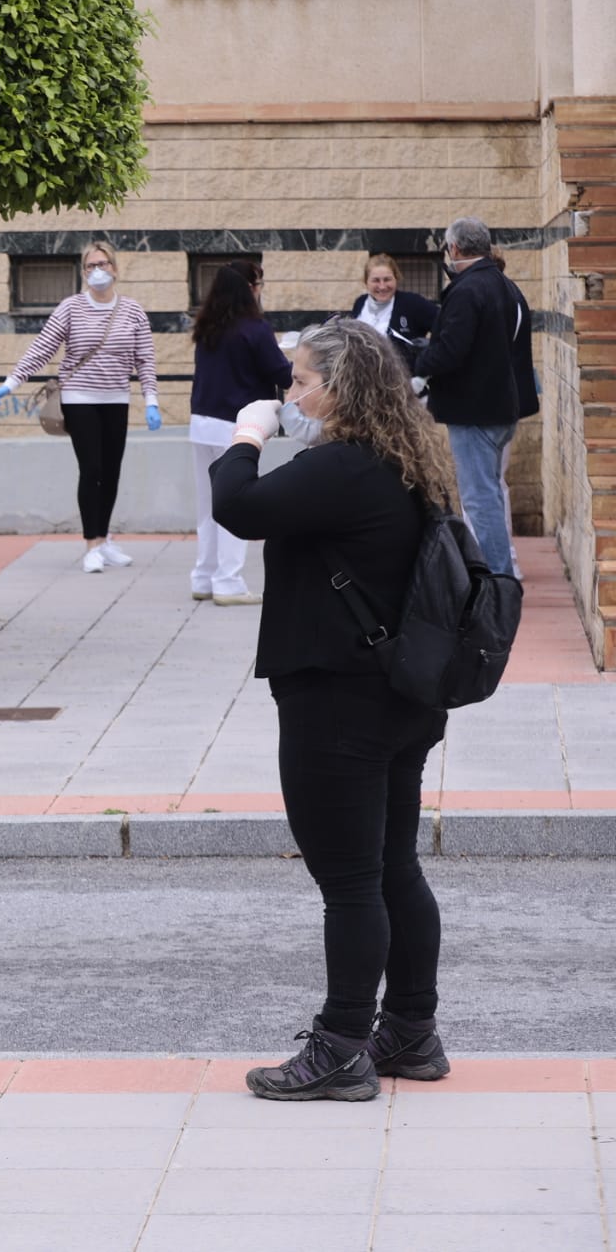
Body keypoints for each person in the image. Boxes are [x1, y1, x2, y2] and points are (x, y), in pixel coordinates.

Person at [212, 318, 457, 1102]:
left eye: (301, 380)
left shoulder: (347, 466)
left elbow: (239, 506)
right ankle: (410, 1031)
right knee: (392, 867)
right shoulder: (406, 458)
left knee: (350, 880)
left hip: (338, 701)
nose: (290, 392)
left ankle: (343, 1044)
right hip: (400, 694)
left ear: (342, 387)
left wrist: (247, 435)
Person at [0, 240, 159, 572]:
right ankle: (91, 544)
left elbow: (146, 360)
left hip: (116, 398)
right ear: (83, 273)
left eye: (103, 264)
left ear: (115, 268)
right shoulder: (70, 308)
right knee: (91, 469)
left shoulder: (133, 310)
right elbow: (43, 347)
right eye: (90, 266)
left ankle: (106, 539)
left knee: (111, 472)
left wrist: (151, 400)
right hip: (80, 398)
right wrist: (12, 381)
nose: (97, 271)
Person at [409, 217, 537, 575]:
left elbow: (451, 352)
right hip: (498, 407)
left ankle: (497, 580)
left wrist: (418, 358)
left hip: (476, 410)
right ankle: (498, 573)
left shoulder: (468, 289)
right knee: (490, 496)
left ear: (454, 249)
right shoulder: (503, 284)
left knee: (480, 502)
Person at [187, 263, 290, 606]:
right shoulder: (254, 328)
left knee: (206, 506)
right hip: (236, 425)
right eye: (258, 284)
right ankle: (227, 583)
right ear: (249, 287)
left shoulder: (207, 327)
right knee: (233, 501)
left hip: (201, 422)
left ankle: (203, 577)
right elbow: (280, 372)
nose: (260, 290)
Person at [350, 254, 438, 365]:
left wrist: (424, 369)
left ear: (396, 278)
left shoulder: (412, 303)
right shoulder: (360, 303)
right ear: (366, 282)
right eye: (376, 280)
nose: (382, 286)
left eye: (387, 280)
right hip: (364, 377)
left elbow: (447, 329)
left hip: (402, 379)